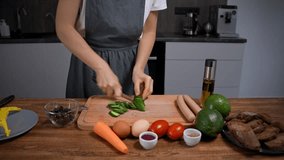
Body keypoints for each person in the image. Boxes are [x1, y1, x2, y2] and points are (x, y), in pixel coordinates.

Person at [55, 0, 167, 99]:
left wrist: (139, 68)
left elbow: (149, 31)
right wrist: (100, 67)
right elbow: (64, 27)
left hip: (132, 66)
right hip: (88, 63)